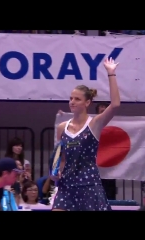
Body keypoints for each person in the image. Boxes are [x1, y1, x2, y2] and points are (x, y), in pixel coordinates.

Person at [52, 58, 120, 211]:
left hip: (89, 186)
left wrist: (111, 73)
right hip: (67, 186)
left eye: (77, 99)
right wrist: (55, 172)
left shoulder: (94, 124)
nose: (72, 102)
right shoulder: (62, 127)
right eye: (71, 98)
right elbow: (61, 157)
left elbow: (115, 105)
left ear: (87, 102)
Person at [95, 102, 117, 200]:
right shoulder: (92, 122)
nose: (103, 108)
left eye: (105, 106)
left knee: (109, 192)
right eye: (101, 106)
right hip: (95, 163)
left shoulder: (115, 122)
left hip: (110, 162)